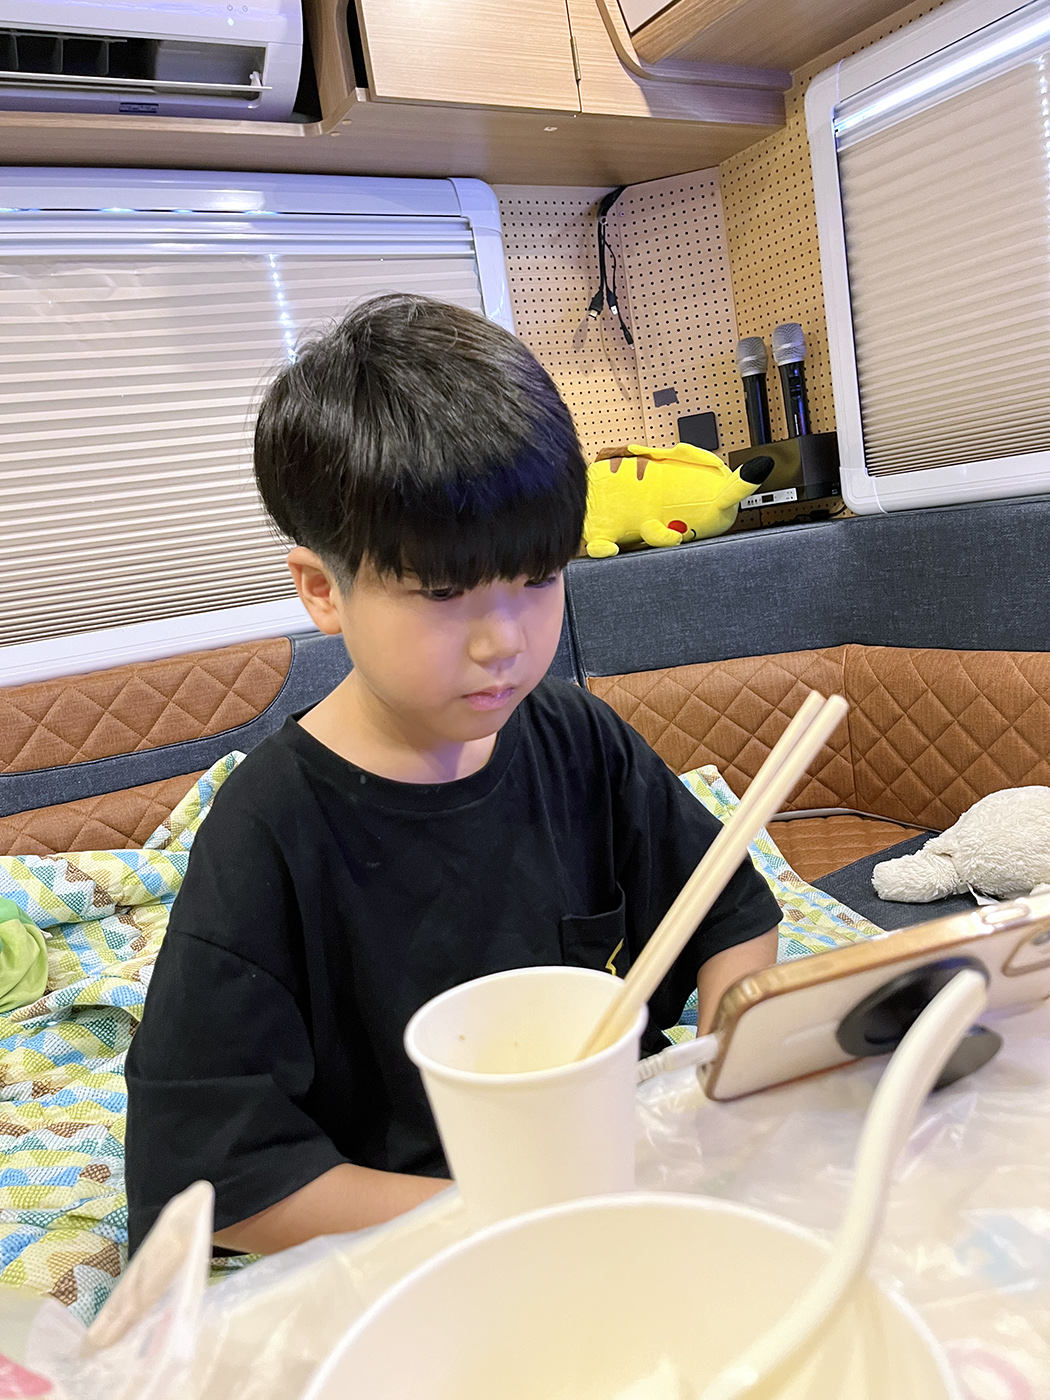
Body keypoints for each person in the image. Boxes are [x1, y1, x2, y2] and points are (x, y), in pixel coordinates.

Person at [125, 294, 780, 1255]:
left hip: (627, 1196)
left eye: (539, 578)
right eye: (441, 593)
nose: (503, 642)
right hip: (423, 1244)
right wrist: (511, 1212)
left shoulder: (575, 735)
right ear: (323, 590)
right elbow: (217, 1190)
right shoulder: (270, 827)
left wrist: (723, 1091)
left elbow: (732, 920)